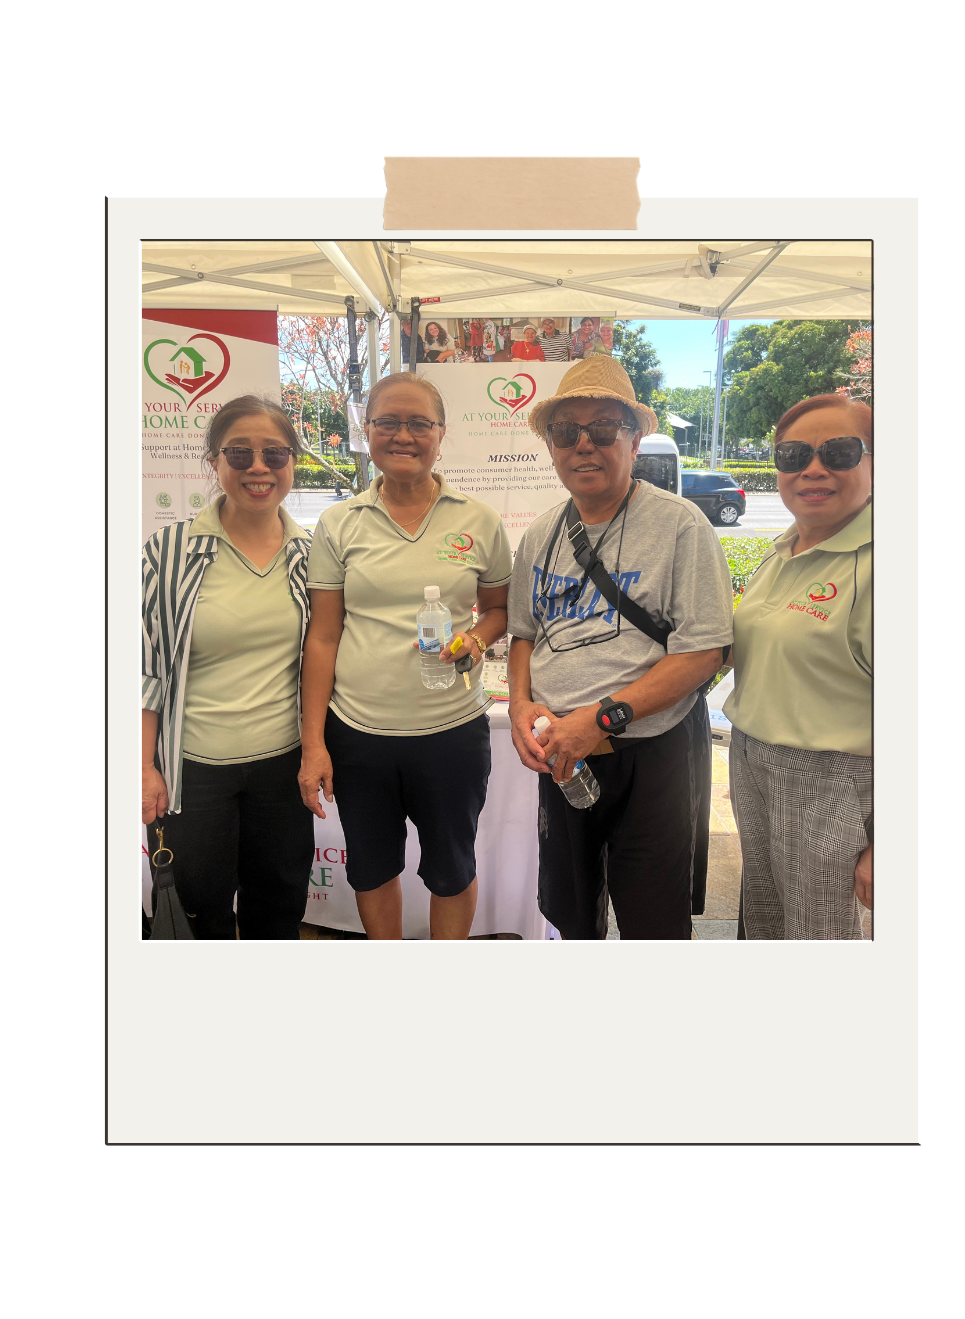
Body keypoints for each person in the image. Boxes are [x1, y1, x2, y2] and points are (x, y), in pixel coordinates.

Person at [506, 356, 734, 940]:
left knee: (652, 920)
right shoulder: (541, 534)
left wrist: (600, 719)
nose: (584, 444)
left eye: (604, 428)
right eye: (567, 431)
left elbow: (704, 652)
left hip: (651, 754)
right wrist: (520, 704)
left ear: (634, 441)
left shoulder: (681, 526)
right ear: (551, 447)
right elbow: (524, 633)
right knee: (570, 911)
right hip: (562, 752)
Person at [298, 372, 513, 940]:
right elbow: (323, 636)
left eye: (419, 423)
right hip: (359, 734)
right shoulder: (339, 523)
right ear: (366, 430)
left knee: (452, 868)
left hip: (452, 731)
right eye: (388, 422)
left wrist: (477, 639)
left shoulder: (479, 519)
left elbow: (498, 609)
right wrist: (315, 743)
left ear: (441, 433)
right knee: (371, 869)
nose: (403, 435)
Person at [141, 396, 315, 940]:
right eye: (239, 453)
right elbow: (142, 669)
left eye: (274, 453)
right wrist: (142, 765)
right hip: (193, 772)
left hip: (283, 769)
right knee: (200, 912)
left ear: (293, 461)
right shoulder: (168, 551)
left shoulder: (312, 555)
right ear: (214, 461)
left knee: (278, 909)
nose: (258, 467)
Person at [723, 394, 873, 941]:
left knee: (822, 937)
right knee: (767, 924)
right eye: (793, 455)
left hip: (833, 781)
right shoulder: (781, 549)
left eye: (839, 452)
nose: (812, 468)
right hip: (753, 761)